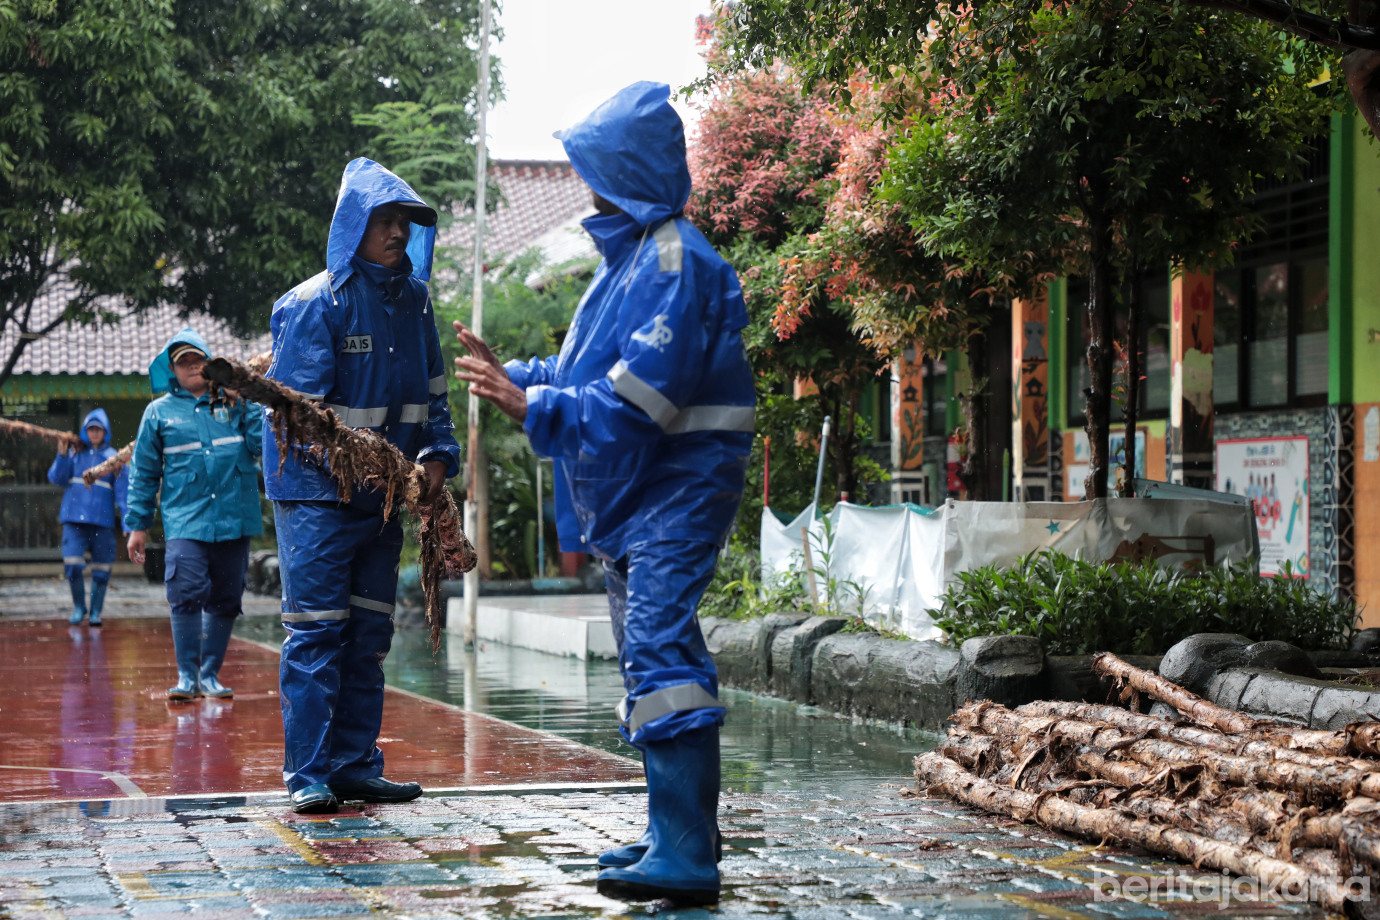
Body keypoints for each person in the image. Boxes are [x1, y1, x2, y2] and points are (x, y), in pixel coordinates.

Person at [454, 82, 755, 906]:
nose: (584, 183)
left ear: (625, 171)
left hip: (675, 489)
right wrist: (516, 376)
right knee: (648, 656)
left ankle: (689, 850)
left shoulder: (672, 262)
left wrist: (531, 404)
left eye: (593, 168)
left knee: (661, 651)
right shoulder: (629, 264)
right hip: (639, 499)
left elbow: (640, 404)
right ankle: (676, 832)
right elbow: (585, 373)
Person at [264, 157, 459, 815]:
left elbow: (433, 395)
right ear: (355, 226)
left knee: (369, 636)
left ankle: (352, 765)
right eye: (385, 220)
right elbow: (299, 417)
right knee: (318, 632)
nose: (398, 233)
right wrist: (361, 465)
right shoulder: (315, 303)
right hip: (318, 500)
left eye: (405, 222)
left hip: (382, 504)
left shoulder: (416, 302)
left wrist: (436, 459)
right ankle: (308, 773)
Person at [125, 329, 264, 701]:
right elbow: (143, 472)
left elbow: (259, 444)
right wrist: (137, 526)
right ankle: (187, 676)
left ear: (210, 363)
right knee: (185, 591)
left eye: (198, 359)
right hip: (186, 519)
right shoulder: (158, 414)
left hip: (235, 516)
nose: (192, 366)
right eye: (184, 361)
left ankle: (210, 675)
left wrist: (248, 401)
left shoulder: (234, 403)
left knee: (227, 596)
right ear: (172, 369)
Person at [48, 409, 129, 626]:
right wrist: (62, 455)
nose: (94, 433)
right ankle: (79, 607)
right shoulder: (75, 454)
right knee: (72, 564)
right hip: (74, 521)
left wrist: (128, 520)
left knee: (102, 570)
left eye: (98, 429)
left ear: (105, 432)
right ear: (85, 431)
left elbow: (123, 492)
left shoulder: (115, 459)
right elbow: (57, 478)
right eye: (90, 429)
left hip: (102, 522)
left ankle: (95, 612)